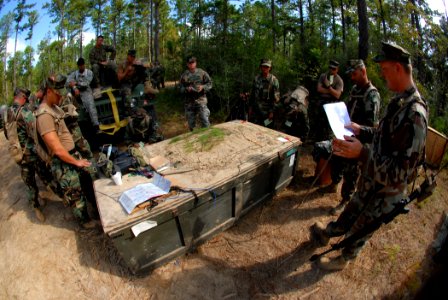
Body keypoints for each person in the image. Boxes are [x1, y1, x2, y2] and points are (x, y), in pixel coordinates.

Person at [310, 42, 428, 271]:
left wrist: (362, 154)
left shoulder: (415, 115)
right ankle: (330, 231)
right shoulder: (399, 102)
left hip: (385, 192)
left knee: (362, 227)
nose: (383, 77)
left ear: (398, 68)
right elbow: (382, 135)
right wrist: (360, 130)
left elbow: (401, 173)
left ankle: (343, 258)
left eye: (384, 71)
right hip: (371, 178)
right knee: (352, 208)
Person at [35, 74, 97, 229]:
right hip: (63, 162)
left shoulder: (53, 107)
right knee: (75, 193)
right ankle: (85, 222)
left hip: (71, 155)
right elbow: (56, 149)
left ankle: (95, 209)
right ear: (49, 91)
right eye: (58, 93)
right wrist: (76, 161)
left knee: (88, 181)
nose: (61, 96)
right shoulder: (44, 115)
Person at [325, 59, 381, 214]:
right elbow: (347, 110)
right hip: (344, 133)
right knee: (336, 158)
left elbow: (372, 127)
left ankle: (345, 199)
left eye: (354, 74)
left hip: (358, 140)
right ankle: (334, 183)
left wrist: (358, 132)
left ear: (363, 71)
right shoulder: (355, 90)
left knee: (351, 171)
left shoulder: (372, 95)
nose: (352, 78)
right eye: (351, 75)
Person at [4, 87, 46, 222]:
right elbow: (35, 131)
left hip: (17, 154)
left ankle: (36, 207)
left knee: (29, 182)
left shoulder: (6, 113)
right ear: (22, 96)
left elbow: (7, 134)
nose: (26, 100)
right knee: (44, 174)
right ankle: (48, 195)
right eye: (26, 98)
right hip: (31, 153)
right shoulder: (25, 112)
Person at [66, 57, 101, 134]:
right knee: (71, 106)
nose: (81, 67)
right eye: (80, 66)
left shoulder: (89, 73)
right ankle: (75, 128)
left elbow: (86, 84)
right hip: (76, 93)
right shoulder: (75, 73)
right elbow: (68, 82)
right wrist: (74, 88)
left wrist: (76, 83)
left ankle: (96, 126)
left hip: (86, 92)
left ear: (84, 65)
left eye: (82, 65)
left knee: (91, 106)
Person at [179, 56, 213, 130]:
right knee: (191, 125)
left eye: (193, 62)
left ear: (195, 63)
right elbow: (180, 88)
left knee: (205, 120)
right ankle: (195, 139)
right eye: (190, 63)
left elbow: (210, 83)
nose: (191, 64)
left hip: (201, 100)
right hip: (189, 102)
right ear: (187, 64)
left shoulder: (202, 73)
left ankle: (208, 137)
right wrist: (186, 89)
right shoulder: (184, 75)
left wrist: (203, 87)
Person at [315, 60, 344, 141]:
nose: (331, 71)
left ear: (337, 70)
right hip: (321, 102)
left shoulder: (339, 80)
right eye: (330, 68)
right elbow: (319, 89)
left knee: (329, 125)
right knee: (319, 123)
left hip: (331, 104)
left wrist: (328, 87)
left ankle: (327, 141)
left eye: (334, 69)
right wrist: (331, 91)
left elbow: (337, 95)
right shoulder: (323, 76)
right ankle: (317, 140)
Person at [248, 59, 280, 128]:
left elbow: (276, 99)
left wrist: (272, 112)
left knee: (266, 132)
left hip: (267, 113)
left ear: (270, 68)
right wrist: (250, 108)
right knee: (254, 130)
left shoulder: (274, 80)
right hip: (256, 112)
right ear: (260, 67)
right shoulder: (256, 79)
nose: (265, 68)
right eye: (263, 66)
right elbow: (252, 95)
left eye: (267, 67)